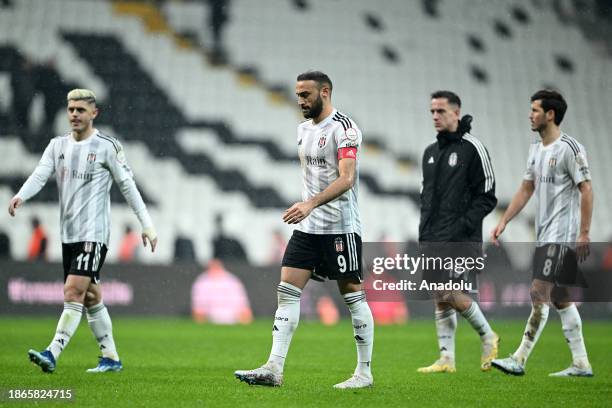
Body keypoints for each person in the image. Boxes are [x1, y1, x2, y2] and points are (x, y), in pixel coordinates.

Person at [234, 71, 374, 389]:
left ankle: (364, 373)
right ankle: (273, 368)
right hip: (308, 229)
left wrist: (310, 203)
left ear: (325, 92)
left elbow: (347, 178)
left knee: (352, 296)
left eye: (306, 94)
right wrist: (308, 209)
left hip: (340, 227)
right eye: (298, 94)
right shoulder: (301, 129)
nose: (300, 100)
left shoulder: (345, 129)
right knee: (287, 291)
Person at [7, 89, 158, 373]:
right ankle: (111, 357)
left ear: (94, 113)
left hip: (94, 235)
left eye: (80, 110)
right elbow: (41, 172)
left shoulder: (107, 146)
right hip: (69, 235)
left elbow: (128, 186)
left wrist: (147, 225)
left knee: (72, 291)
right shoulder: (57, 145)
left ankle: (52, 352)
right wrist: (21, 195)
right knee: (90, 297)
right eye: (71, 109)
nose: (74, 114)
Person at [491, 89, 594, 377]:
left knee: (538, 291)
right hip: (544, 232)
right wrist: (505, 220)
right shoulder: (535, 149)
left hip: (562, 235)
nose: (530, 114)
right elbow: (527, 188)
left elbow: (586, 188)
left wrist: (584, 233)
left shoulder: (570, 148)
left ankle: (519, 358)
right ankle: (581, 362)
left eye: (535, 109)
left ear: (550, 114)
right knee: (560, 295)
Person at [417, 90, 499, 373]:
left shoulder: (472, 148)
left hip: (461, 238)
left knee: (448, 290)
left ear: (456, 111)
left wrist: (463, 226)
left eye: (440, 111)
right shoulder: (430, 152)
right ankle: (446, 358)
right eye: (432, 112)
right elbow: (425, 195)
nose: (435, 116)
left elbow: (487, 195)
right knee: (439, 296)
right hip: (433, 237)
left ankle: (488, 335)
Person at [191, 259, 252, 324]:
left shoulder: (232, 280)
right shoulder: (202, 282)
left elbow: (243, 305)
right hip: (211, 317)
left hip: (233, 317)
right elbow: (198, 308)